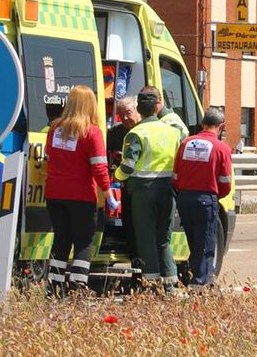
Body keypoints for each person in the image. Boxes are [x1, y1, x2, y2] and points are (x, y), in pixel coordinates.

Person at [43, 86, 117, 295]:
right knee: (83, 240)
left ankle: (54, 286)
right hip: (81, 196)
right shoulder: (92, 133)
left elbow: (50, 158)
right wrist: (108, 193)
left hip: (55, 195)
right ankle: (78, 285)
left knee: (61, 238)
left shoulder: (55, 129)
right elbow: (99, 167)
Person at [117, 88, 181, 294]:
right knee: (163, 239)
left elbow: (127, 167)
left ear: (139, 110)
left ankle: (151, 285)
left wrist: (114, 177)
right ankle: (170, 286)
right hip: (167, 190)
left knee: (146, 239)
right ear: (156, 107)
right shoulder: (172, 131)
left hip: (143, 192)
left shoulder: (136, 133)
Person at [172, 107, 234, 294]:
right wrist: (216, 196)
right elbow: (225, 182)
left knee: (193, 242)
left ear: (202, 124)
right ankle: (199, 286)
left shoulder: (186, 143)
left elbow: (175, 175)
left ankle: (197, 278)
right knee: (206, 245)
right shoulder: (222, 148)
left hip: (184, 199)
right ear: (221, 126)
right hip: (206, 200)